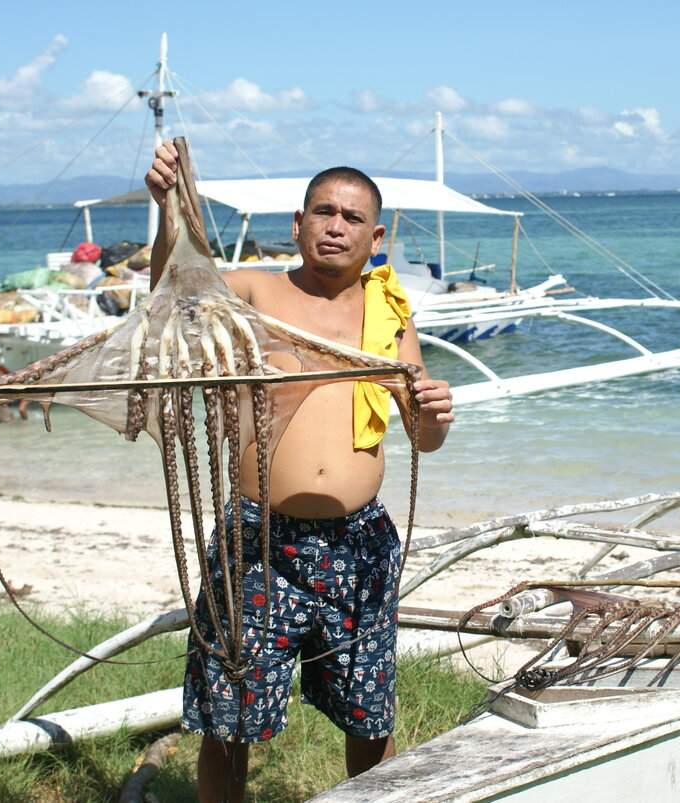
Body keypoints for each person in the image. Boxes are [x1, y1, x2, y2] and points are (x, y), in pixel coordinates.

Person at [145, 141, 455, 802]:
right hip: (259, 543)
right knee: (231, 719)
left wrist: (437, 414)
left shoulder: (391, 314)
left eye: (350, 217)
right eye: (323, 212)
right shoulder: (255, 289)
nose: (335, 225)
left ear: (376, 237)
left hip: (359, 542)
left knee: (368, 713)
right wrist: (171, 214)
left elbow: (421, 437)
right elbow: (170, 309)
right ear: (298, 223)